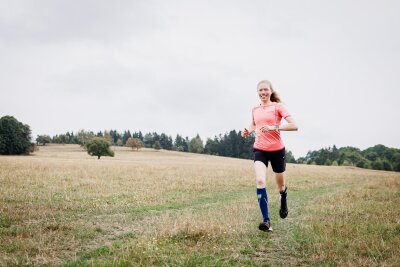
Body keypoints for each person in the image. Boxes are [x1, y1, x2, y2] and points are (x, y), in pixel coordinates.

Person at [242, 80, 298, 232]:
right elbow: (254, 124)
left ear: (271, 91)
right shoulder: (255, 109)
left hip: (277, 150)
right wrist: (248, 130)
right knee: (260, 180)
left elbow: (294, 125)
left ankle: (283, 197)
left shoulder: (278, 107)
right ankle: (266, 221)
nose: (263, 93)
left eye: (265, 90)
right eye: (260, 90)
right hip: (260, 149)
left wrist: (274, 127)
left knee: (280, 186)